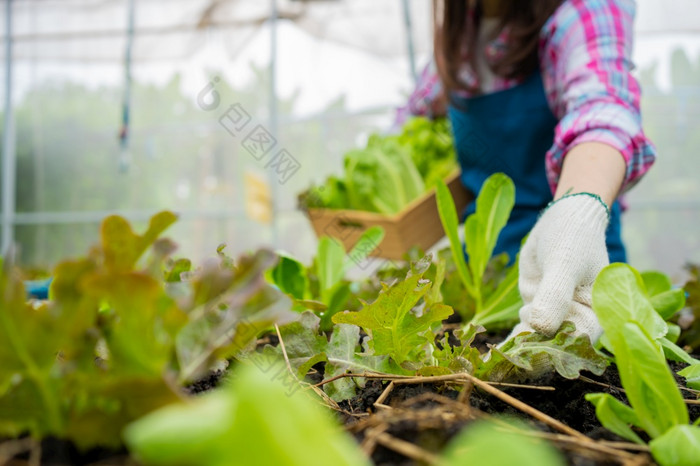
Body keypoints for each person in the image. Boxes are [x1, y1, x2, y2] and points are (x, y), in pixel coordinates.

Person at [396, 0, 655, 343]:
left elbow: (602, 110)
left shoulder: (580, 12)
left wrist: (578, 210)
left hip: (573, 263)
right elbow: (412, 121)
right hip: (488, 279)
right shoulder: (459, 38)